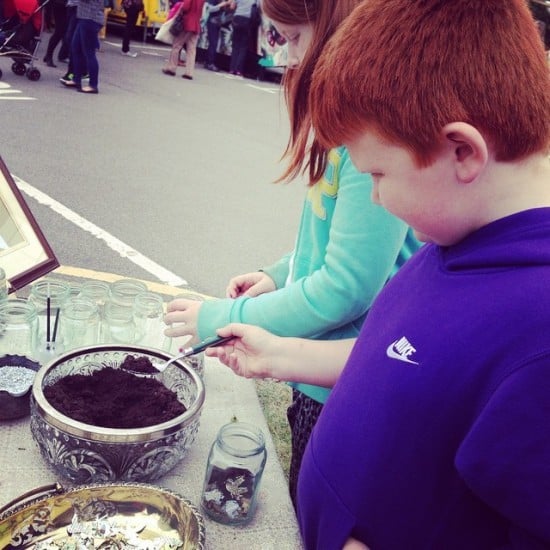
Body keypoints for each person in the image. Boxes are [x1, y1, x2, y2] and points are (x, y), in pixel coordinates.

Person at [206, 0, 550, 547]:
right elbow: (399, 357)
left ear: (462, 151)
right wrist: (278, 354)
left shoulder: (537, 340)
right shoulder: (453, 239)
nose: (377, 197)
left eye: (379, 174)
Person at [164, 0, 421, 508]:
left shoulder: (369, 144)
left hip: (344, 382)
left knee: (318, 506)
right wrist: (278, 274)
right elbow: (328, 243)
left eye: (292, 38)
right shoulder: (342, 135)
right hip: (315, 371)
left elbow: (346, 286)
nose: (285, 59)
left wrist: (221, 317)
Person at [161, 0, 205, 79]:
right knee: (191, 49)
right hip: (196, 24)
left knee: (177, 46)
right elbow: (201, 12)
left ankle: (171, 68)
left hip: (187, 22)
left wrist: (180, 12)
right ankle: (189, 72)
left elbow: (185, 7)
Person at [67, 0, 103, 93]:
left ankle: (93, 85)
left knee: (89, 52)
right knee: (76, 48)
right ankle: (76, 79)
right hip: (83, 18)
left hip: (91, 19)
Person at [203, 0, 233, 71]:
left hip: (216, 22)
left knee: (213, 43)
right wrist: (222, 5)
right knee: (213, 43)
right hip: (212, 22)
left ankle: (208, 62)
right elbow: (210, 9)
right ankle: (210, 63)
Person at [228, 0, 256, 77]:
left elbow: (232, 6)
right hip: (247, 20)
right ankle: (238, 70)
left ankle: (232, 69)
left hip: (237, 18)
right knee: (243, 47)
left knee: (235, 45)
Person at [43, 0, 68, 67]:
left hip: (64, 4)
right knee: (59, 31)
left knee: (63, 31)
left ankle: (61, 54)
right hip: (60, 4)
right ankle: (49, 55)